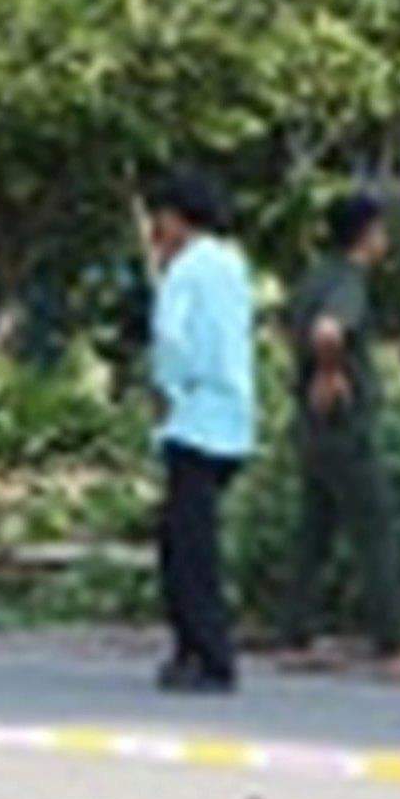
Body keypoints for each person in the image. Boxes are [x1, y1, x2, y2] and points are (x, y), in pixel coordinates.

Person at [275, 194, 400, 678]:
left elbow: (292, 326)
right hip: (345, 425)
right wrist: (330, 373)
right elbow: (327, 330)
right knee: (376, 529)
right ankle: (392, 645)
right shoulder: (348, 281)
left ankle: (296, 633)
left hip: (312, 425)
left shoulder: (315, 276)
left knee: (314, 530)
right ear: (367, 234)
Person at [144, 167, 257, 695]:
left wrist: (165, 391)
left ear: (176, 219)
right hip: (233, 419)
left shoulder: (184, 271)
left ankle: (209, 656)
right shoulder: (233, 265)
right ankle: (193, 648)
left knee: (188, 548)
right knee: (189, 537)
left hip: (193, 419)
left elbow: (170, 338)